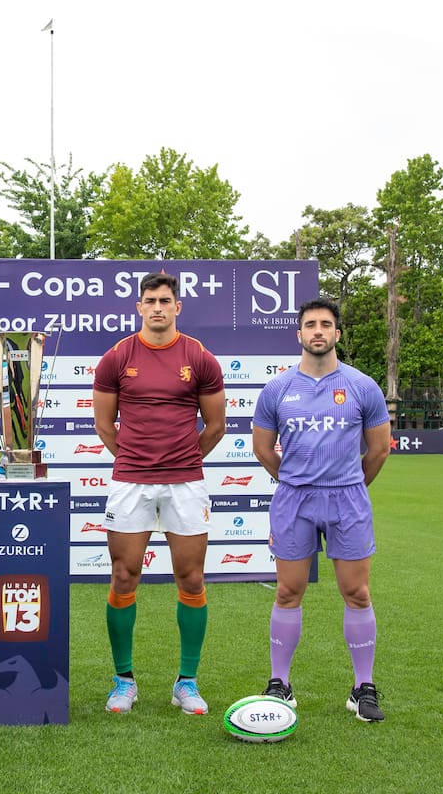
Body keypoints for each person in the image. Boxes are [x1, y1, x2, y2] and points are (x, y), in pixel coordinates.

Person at [250, 298, 392, 722]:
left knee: (357, 592)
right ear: (299, 334)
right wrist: (296, 480)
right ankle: (280, 684)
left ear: (337, 334)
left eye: (325, 324)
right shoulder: (277, 389)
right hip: (294, 499)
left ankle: (363, 688)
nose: (318, 331)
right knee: (288, 591)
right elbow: (262, 449)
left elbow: (379, 449)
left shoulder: (362, 386)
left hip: (347, 499)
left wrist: (350, 485)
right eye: (310, 324)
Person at [92, 272, 227, 715]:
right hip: (130, 481)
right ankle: (123, 680)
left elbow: (216, 426)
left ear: (177, 307)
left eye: (165, 300)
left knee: (191, 579)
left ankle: (186, 682)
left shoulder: (199, 357)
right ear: (139, 307)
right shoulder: (117, 357)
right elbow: (103, 425)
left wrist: (183, 460)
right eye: (149, 300)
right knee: (123, 576)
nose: (157, 307)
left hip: (185, 483)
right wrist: (135, 459)